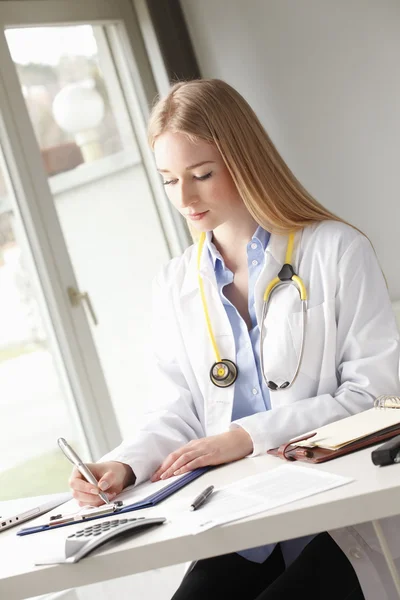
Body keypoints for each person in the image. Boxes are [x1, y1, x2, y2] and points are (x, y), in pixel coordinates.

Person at [69, 79, 400, 599]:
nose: (185, 198)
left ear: (245, 160)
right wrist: (123, 464)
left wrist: (248, 437)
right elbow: (175, 410)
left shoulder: (336, 251)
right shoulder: (177, 282)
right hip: (243, 521)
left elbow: (378, 399)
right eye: (168, 180)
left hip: (340, 519)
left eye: (201, 174)